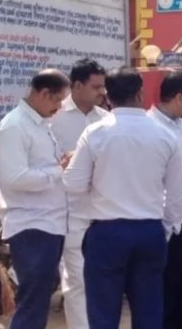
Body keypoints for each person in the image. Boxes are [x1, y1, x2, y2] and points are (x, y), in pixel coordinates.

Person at [63, 67, 182, 328]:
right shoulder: (165, 135)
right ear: (140, 94)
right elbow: (178, 194)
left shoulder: (95, 133)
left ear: (108, 96)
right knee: (149, 311)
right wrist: (165, 229)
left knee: (103, 313)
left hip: (106, 232)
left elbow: (73, 184)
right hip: (150, 231)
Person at [0, 69, 70, 329]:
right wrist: (58, 171)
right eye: (57, 100)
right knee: (32, 303)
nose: (59, 108)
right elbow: (14, 178)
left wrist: (59, 165)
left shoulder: (39, 124)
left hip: (50, 223)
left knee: (38, 300)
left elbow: (40, 166)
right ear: (44, 93)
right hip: (32, 225)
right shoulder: (15, 126)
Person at [50, 59, 108, 329]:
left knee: (98, 281)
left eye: (103, 87)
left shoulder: (106, 120)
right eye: (96, 87)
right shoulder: (54, 117)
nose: (102, 92)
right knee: (76, 281)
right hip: (66, 210)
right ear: (76, 86)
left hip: (102, 212)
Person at [145, 71, 182, 329]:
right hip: (161, 223)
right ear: (178, 97)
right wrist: (168, 226)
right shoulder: (150, 128)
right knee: (163, 292)